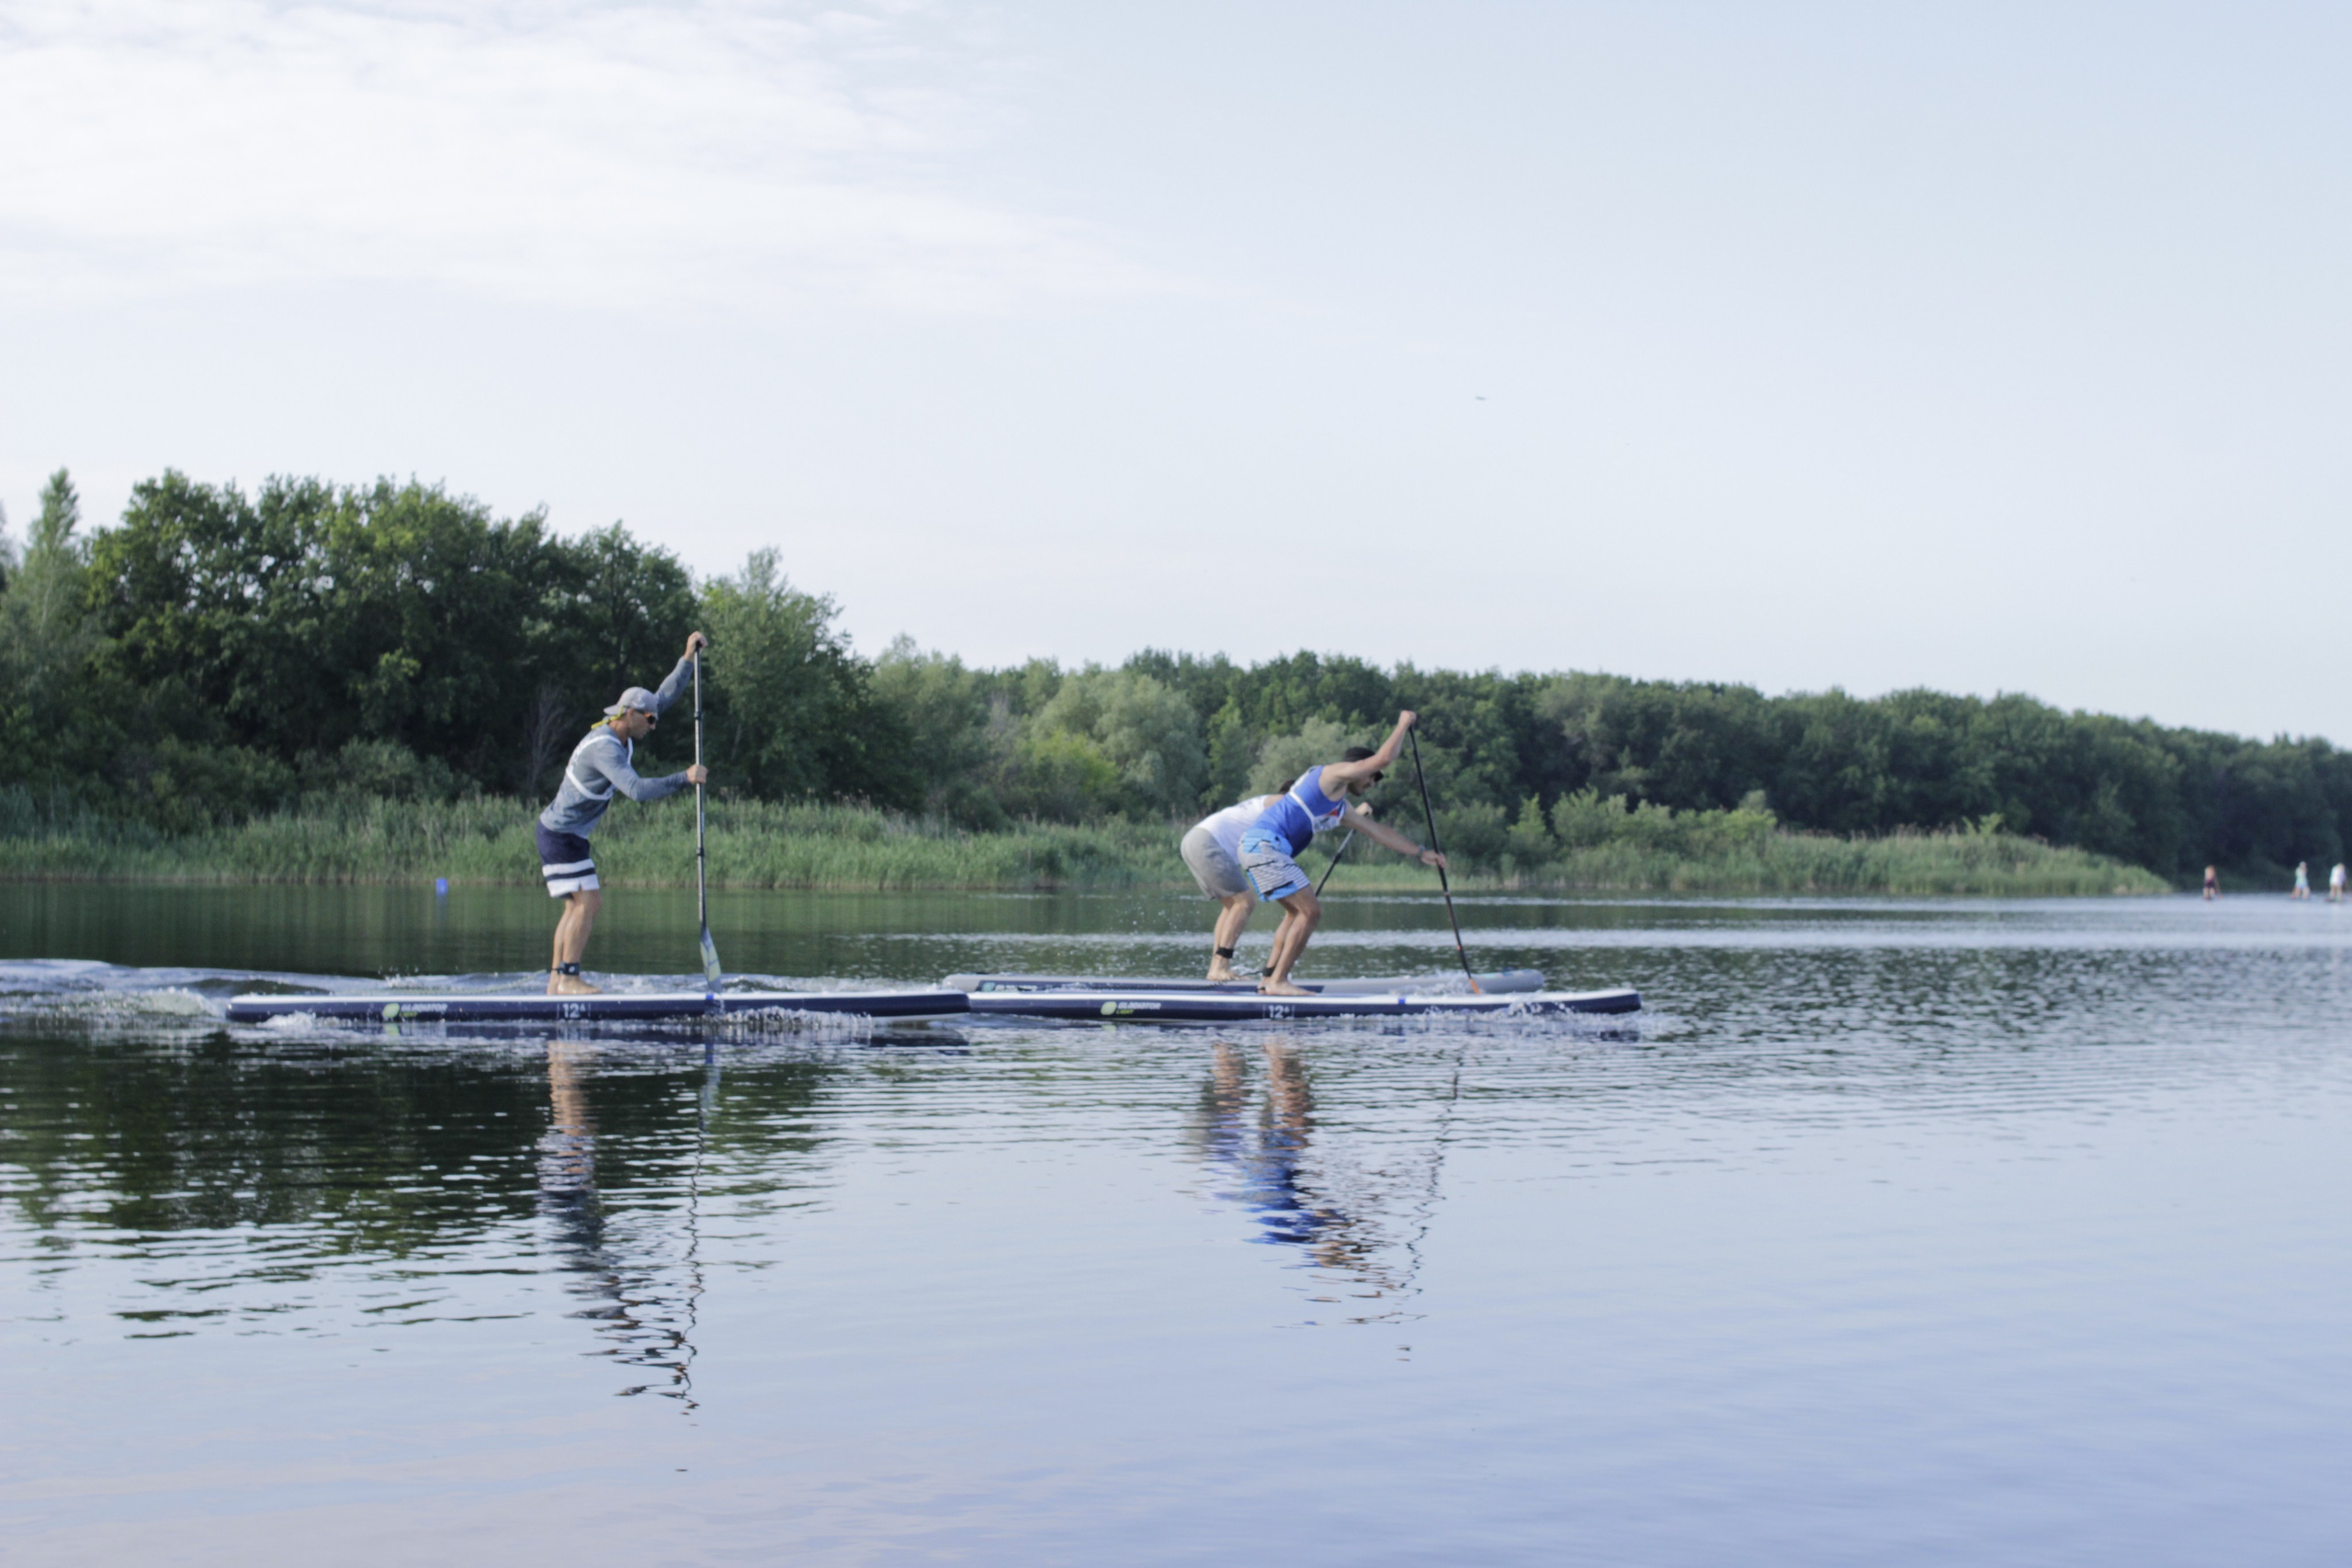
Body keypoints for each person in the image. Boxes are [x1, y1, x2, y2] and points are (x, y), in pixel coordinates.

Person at [537, 632, 711, 994]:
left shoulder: (625, 732)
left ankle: (556, 981)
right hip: (561, 835)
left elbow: (664, 695)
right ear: (629, 714)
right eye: (649, 720)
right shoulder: (605, 749)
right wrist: (684, 777)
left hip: (565, 835)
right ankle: (568, 979)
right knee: (589, 902)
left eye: (655, 719)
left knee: (575, 907)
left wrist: (687, 658)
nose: (654, 725)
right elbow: (635, 790)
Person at [1237, 712, 1447, 997]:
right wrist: (1402, 725)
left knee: (1294, 914)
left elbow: (1379, 832)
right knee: (1311, 911)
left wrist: (1420, 852)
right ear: (1359, 770)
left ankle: (1268, 980)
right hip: (1264, 846)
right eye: (1372, 779)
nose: (1371, 785)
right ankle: (1279, 982)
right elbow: (1383, 758)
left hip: (1257, 847)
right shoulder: (1331, 774)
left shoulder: (1339, 806)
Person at [1181, 787, 1281, 981]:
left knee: (1231, 906)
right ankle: (1220, 966)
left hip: (1194, 839)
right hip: (1206, 842)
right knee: (1245, 902)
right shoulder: (1278, 801)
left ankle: (1216, 968)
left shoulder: (1264, 804)